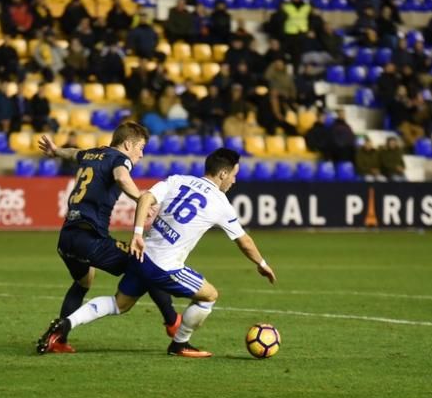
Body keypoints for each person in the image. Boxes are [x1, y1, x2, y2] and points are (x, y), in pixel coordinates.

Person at [37, 148, 276, 357]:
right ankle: (180, 344)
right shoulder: (221, 203)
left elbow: (145, 198)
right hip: (165, 265)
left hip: (141, 255)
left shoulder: (177, 180)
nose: (234, 181)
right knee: (209, 296)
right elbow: (244, 241)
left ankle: (65, 324)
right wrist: (262, 263)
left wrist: (138, 234)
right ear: (223, 173)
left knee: (119, 304)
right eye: (234, 175)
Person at [34, 121, 181, 350]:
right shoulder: (119, 158)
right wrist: (141, 199)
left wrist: (55, 151)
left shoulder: (93, 153)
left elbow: (74, 153)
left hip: (67, 238)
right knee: (144, 261)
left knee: (83, 281)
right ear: (127, 144)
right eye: (140, 148)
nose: (141, 155)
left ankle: (59, 339)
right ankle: (173, 322)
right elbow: (122, 177)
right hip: (90, 238)